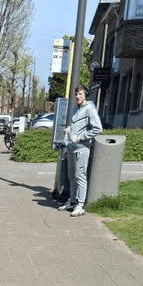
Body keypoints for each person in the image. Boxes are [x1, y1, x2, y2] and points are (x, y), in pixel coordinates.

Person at [58, 85, 102, 217]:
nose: (77, 96)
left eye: (80, 94)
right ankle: (72, 201)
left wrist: (81, 137)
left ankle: (80, 205)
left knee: (80, 176)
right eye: (76, 94)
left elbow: (98, 129)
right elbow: (77, 126)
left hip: (81, 149)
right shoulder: (75, 109)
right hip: (71, 147)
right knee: (72, 176)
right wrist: (69, 131)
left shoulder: (90, 109)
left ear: (85, 95)